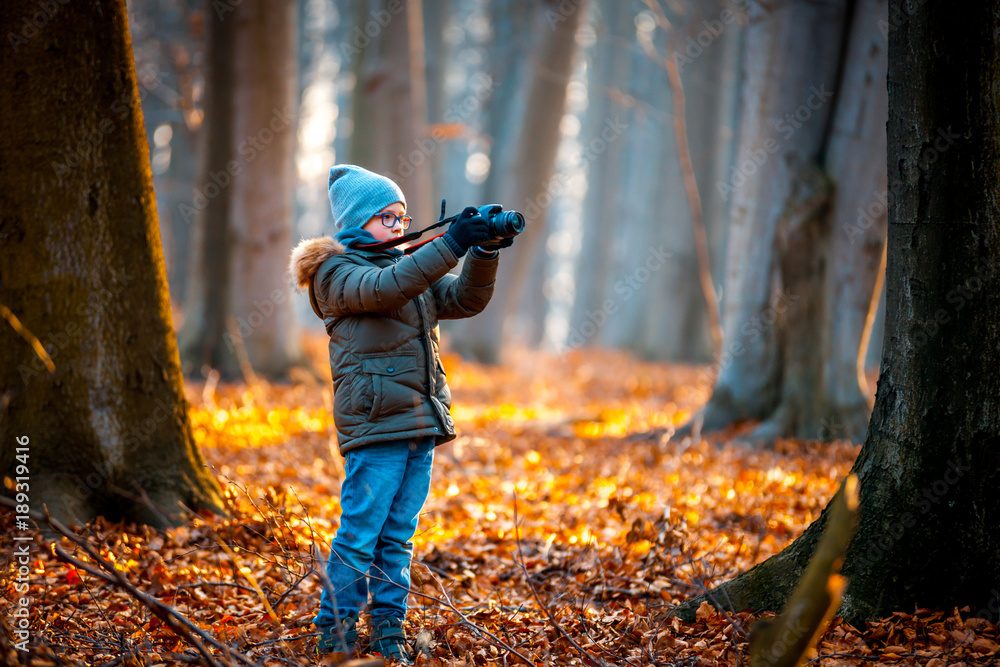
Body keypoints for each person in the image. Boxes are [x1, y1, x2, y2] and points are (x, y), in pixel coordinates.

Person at [288, 164, 512, 662]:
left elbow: (464, 299)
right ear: (355, 221)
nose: (397, 224)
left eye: (403, 216)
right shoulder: (336, 274)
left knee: (399, 535)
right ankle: (336, 629)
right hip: (374, 425)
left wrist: (481, 251)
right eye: (386, 217)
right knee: (362, 532)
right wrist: (450, 244)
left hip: (419, 421)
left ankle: (389, 627)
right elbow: (386, 288)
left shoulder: (406, 268)